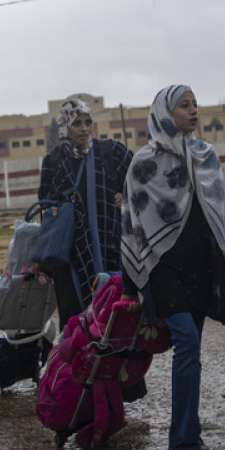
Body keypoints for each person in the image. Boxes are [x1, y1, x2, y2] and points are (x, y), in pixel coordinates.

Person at [119, 85, 225, 450]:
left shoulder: (205, 156)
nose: (193, 110)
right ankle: (181, 446)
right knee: (187, 344)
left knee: (192, 351)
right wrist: (130, 286)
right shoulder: (143, 164)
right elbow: (131, 225)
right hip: (163, 269)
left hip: (202, 268)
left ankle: (190, 438)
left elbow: (224, 214)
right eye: (185, 105)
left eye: (195, 104)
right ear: (165, 112)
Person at [37, 97, 134, 329]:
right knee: (74, 322)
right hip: (69, 254)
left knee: (111, 320)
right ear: (65, 126)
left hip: (110, 249)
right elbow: (46, 206)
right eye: (76, 123)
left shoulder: (111, 153)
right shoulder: (54, 161)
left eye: (87, 122)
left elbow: (143, 178)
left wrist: (126, 195)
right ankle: (78, 364)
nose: (83, 128)